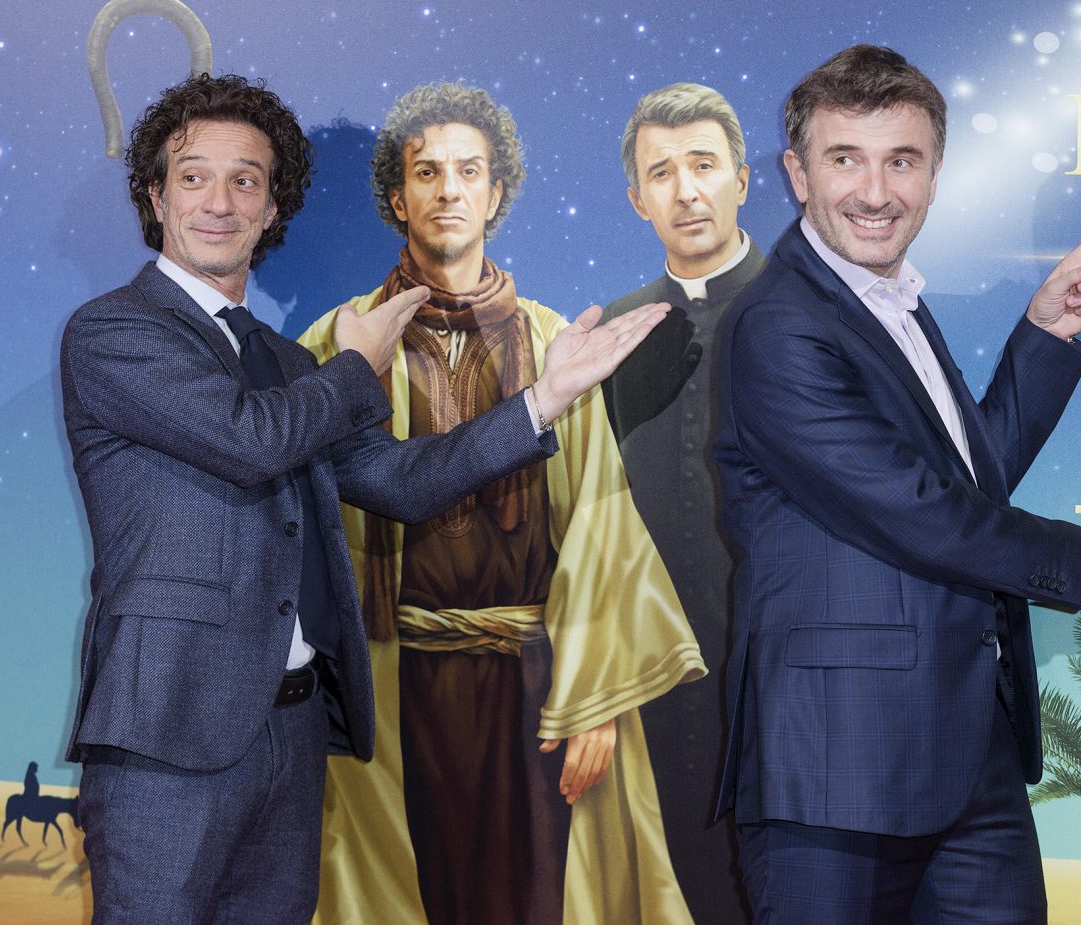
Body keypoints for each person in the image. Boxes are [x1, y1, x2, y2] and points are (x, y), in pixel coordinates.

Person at [60, 73, 668, 925]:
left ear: (273, 208)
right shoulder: (115, 331)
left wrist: (544, 398)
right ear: (157, 197)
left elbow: (402, 480)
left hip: (294, 734)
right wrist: (355, 367)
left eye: (246, 181)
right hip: (168, 733)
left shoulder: (290, 363)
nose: (220, 202)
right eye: (194, 177)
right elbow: (248, 439)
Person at [712, 45, 1081, 922]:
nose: (875, 192)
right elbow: (916, 512)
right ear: (797, 173)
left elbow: (965, 482)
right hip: (837, 772)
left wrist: (1042, 339)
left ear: (935, 175)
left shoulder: (889, 300)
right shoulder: (778, 324)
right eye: (845, 159)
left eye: (902, 161)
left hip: (969, 759)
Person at [297, 81, 703, 925]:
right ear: (396, 197)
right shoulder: (339, 343)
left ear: (497, 192)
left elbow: (599, 520)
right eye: (427, 172)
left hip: (534, 690)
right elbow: (303, 534)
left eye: (469, 171)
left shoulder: (557, 343)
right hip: (388, 685)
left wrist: (598, 699)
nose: (449, 190)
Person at [598, 82, 761, 923]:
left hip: (783, 677)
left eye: (704, 165)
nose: (686, 191)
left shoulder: (815, 312)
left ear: (744, 179)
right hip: (655, 683)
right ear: (637, 200)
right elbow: (589, 520)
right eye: (661, 173)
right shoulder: (611, 333)